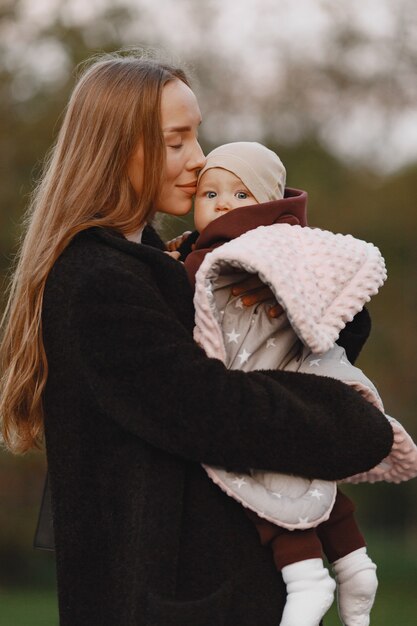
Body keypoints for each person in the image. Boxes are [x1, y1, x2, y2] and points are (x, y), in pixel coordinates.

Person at [0, 51, 394, 626]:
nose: (200, 160)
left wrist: (297, 304)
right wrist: (354, 423)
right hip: (163, 603)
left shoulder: (157, 263)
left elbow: (254, 358)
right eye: (175, 141)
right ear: (118, 149)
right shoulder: (96, 279)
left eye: (197, 138)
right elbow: (210, 407)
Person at [182, 141, 417, 626]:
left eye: (241, 194)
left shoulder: (263, 249)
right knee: (305, 477)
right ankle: (353, 561)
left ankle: (305, 575)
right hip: (289, 385)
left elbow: (323, 301)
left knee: (267, 477)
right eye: (210, 193)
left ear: (268, 203)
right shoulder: (203, 250)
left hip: (271, 382)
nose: (223, 204)